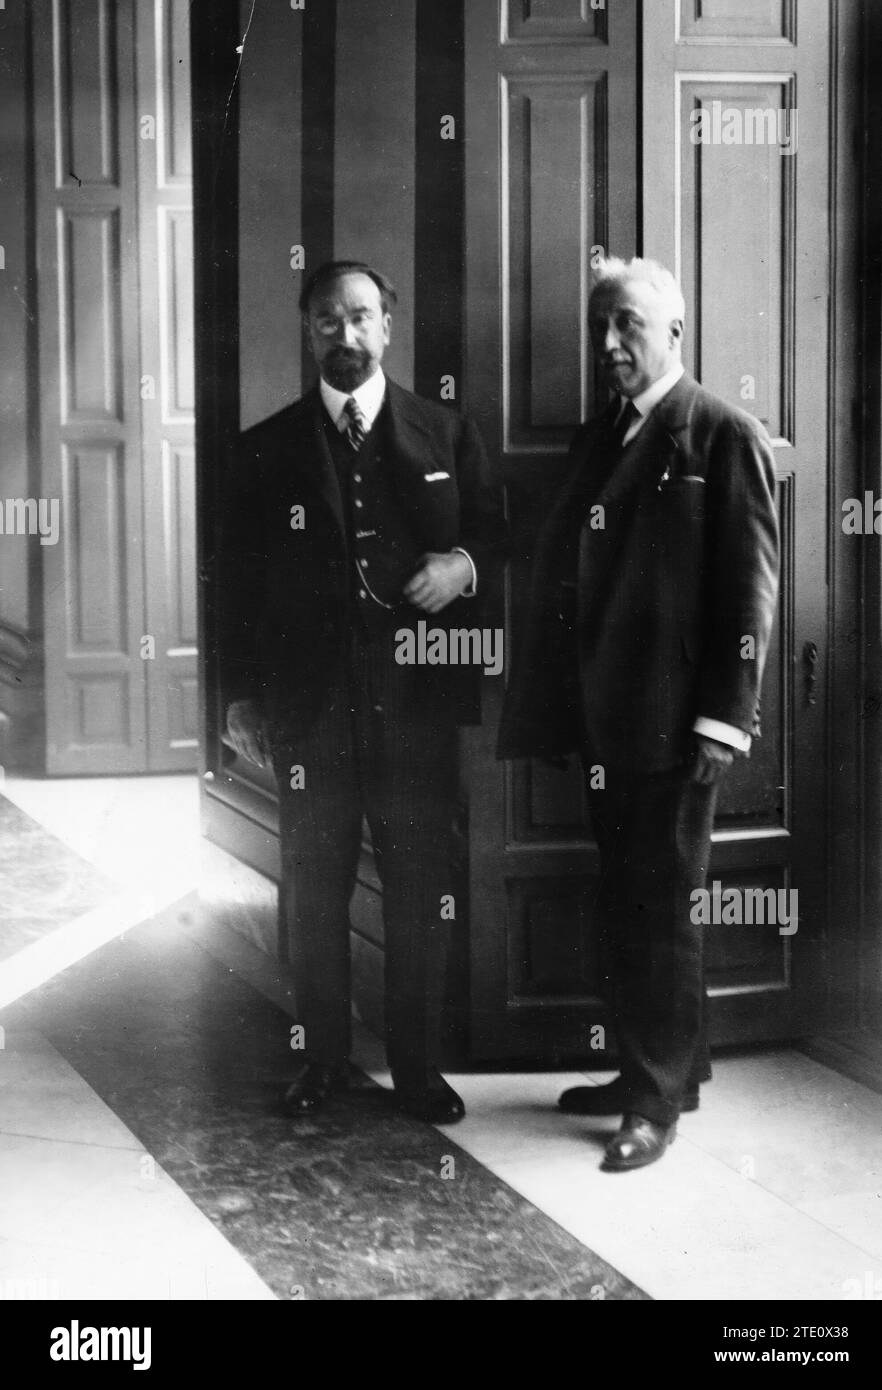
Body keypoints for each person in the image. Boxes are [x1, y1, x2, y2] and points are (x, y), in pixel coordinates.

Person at [498, 257, 779, 1170]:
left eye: (625, 326)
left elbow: (751, 590)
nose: (609, 346)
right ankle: (654, 1070)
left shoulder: (720, 433)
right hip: (604, 725)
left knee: (661, 907)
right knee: (629, 898)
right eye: (599, 330)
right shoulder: (602, 436)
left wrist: (721, 720)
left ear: (673, 334)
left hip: (673, 726)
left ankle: (653, 1103)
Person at [222, 260, 505, 1124]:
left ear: (388, 325)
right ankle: (323, 1061)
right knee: (311, 889)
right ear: (307, 333)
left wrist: (459, 569)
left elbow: (499, 543)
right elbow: (232, 586)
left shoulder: (445, 433)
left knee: (421, 886)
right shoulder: (264, 448)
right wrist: (239, 703)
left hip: (417, 711)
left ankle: (417, 1071)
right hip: (311, 714)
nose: (344, 337)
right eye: (325, 322)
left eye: (359, 319)